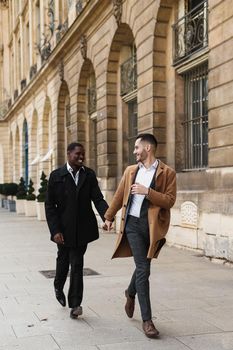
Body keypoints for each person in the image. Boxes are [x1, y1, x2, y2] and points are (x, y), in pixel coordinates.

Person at [103, 133, 176, 338]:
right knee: (144, 269)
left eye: (137, 148)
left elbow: (169, 201)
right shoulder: (130, 171)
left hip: (152, 228)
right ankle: (147, 321)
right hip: (132, 226)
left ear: (148, 149)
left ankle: (130, 292)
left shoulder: (167, 173)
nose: (134, 151)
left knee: (144, 267)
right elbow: (119, 195)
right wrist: (109, 217)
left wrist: (147, 192)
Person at [45, 142, 108, 319]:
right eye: (77, 154)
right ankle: (58, 285)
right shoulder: (57, 176)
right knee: (63, 262)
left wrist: (107, 216)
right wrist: (55, 230)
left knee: (77, 264)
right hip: (63, 231)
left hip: (82, 230)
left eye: (83, 154)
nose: (81, 157)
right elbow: (50, 206)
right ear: (68, 154)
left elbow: (98, 199)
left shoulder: (89, 175)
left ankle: (75, 304)